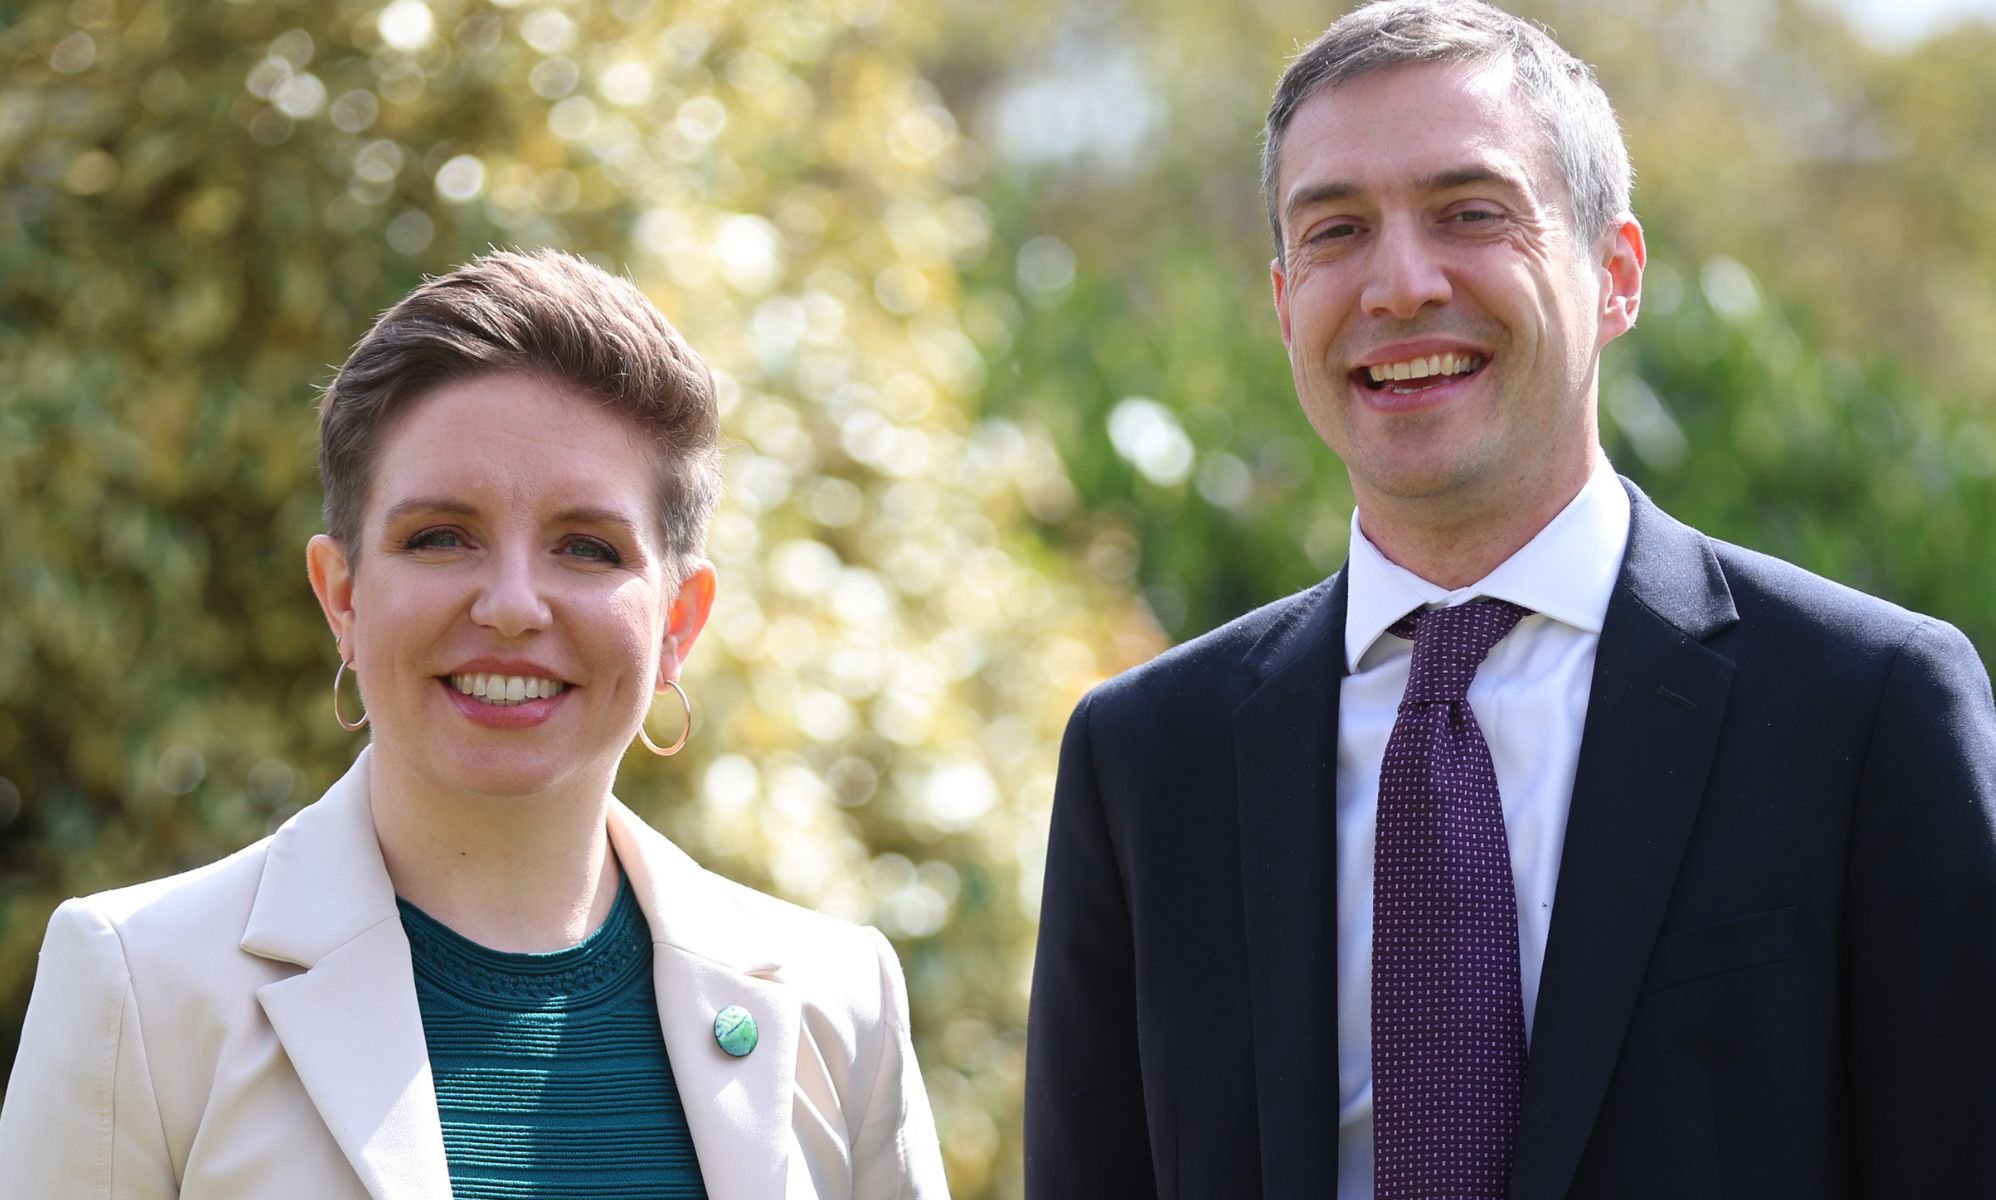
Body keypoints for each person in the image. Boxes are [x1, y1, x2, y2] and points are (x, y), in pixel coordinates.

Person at [1024, 1, 1996, 1196]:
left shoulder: (1866, 711)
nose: (1398, 284)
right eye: (1335, 232)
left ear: (1615, 273)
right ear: (1284, 305)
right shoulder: (1144, 760)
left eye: (1469, 213)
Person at [0, 249, 949, 1198]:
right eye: (440, 537)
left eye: (587, 547)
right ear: (342, 597)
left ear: (678, 623)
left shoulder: (839, 1003)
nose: (510, 605)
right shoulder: (139, 987)